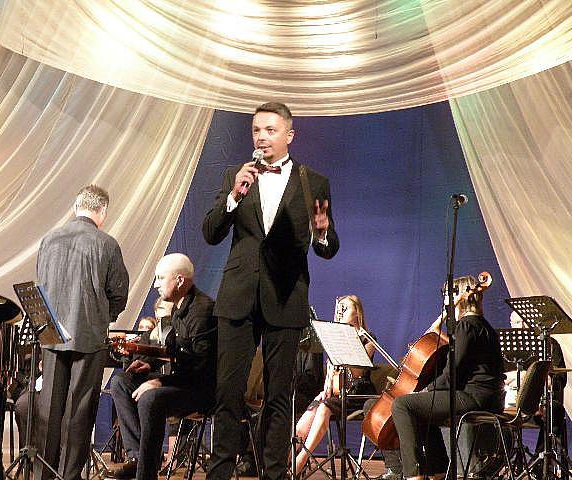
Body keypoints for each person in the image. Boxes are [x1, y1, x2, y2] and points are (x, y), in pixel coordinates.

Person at [203, 101, 340, 480]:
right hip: (239, 296)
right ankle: (219, 472)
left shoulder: (313, 182)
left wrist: (322, 232)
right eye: (256, 130)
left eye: (270, 130)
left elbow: (328, 248)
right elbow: (211, 233)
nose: (261, 137)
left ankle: (275, 473)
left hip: (286, 297)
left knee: (279, 395)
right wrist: (234, 197)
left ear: (289, 135)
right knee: (228, 392)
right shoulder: (235, 175)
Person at [35, 184, 129, 480]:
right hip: (88, 336)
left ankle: (42, 474)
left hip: (51, 335)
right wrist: (103, 317)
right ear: (103, 211)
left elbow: (41, 283)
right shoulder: (107, 244)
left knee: (49, 409)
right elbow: (119, 292)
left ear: (76, 207)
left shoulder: (49, 239)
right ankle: (69, 475)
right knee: (79, 409)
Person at [107, 253, 217, 480]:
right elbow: (173, 349)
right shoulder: (177, 308)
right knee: (121, 382)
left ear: (179, 280)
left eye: (160, 278)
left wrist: (159, 381)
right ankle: (139, 458)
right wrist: (148, 365)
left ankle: (146, 474)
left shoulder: (203, 311)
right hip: (182, 381)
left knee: (150, 398)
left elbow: (200, 367)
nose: (156, 284)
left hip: (200, 389)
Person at [390, 275, 506, 480]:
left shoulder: (466, 326)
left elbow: (452, 375)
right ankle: (439, 472)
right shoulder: (484, 326)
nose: (444, 299)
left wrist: (426, 390)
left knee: (402, 404)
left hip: (474, 397)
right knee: (425, 412)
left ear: (460, 297)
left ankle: (413, 475)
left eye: (447, 295)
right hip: (489, 398)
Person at [293, 295, 375, 474]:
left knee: (324, 408)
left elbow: (356, 373)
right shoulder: (334, 340)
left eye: (345, 308)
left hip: (357, 393)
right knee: (309, 414)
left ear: (357, 312)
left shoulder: (368, 339)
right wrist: (325, 390)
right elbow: (330, 375)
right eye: (339, 309)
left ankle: (301, 461)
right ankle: (287, 460)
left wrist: (346, 337)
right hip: (337, 394)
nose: (340, 312)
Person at [505, 311, 568, 470]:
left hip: (538, 405)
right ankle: (496, 462)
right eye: (517, 323)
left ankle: (540, 465)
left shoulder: (550, 345)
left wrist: (531, 376)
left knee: (555, 411)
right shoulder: (506, 348)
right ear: (511, 324)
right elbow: (499, 377)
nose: (522, 327)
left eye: (525, 322)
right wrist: (518, 375)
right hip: (509, 404)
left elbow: (559, 381)